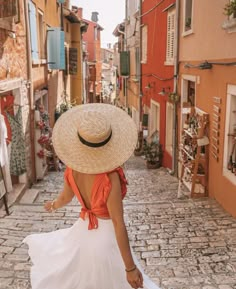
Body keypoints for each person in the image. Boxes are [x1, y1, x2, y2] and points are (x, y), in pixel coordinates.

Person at [23, 103, 160, 289]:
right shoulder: (111, 177)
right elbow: (118, 223)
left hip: (83, 235)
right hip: (106, 241)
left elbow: (65, 198)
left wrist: (53, 205)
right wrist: (130, 268)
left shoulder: (72, 170)